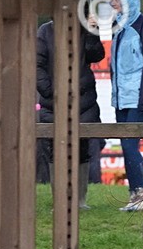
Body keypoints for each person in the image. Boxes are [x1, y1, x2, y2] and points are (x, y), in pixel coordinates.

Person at [36, 18, 106, 209]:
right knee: (54, 150)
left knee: (82, 149)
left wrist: (92, 31)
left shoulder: (85, 29)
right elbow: (37, 64)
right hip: (54, 104)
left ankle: (80, 200)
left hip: (83, 102)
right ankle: (59, 200)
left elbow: (96, 55)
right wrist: (50, 92)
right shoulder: (45, 31)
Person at [108, 0, 143, 212]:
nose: (112, 3)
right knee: (126, 145)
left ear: (128, 0)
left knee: (130, 146)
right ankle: (135, 195)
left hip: (140, 99)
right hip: (121, 99)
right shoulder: (116, 26)